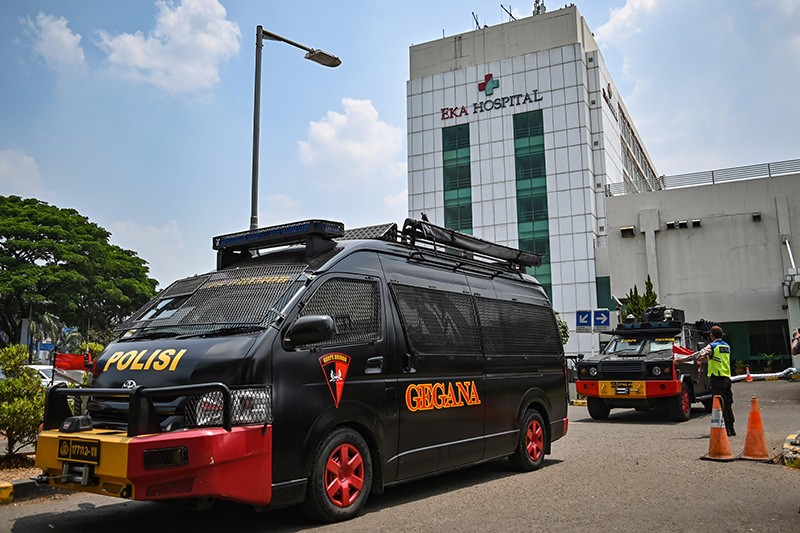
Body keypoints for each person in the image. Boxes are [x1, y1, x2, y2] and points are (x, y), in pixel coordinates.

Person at [696, 325, 735, 436]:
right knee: (728, 404)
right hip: (727, 378)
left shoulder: (712, 346)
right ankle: (731, 429)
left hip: (717, 379)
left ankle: (725, 429)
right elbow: (717, 358)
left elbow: (699, 354)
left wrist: (681, 359)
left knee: (720, 404)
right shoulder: (726, 346)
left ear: (711, 335)